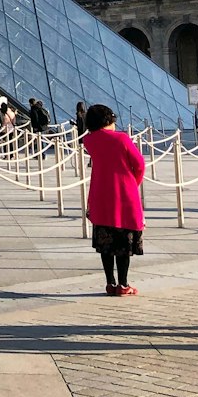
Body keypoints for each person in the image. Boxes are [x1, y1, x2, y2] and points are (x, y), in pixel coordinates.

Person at [82, 103, 145, 296]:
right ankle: (123, 285)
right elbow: (140, 165)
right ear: (108, 120)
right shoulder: (122, 139)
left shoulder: (88, 141)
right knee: (124, 245)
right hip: (124, 195)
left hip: (100, 195)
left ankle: (110, 283)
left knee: (106, 243)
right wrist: (133, 184)